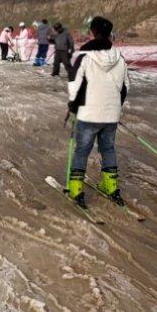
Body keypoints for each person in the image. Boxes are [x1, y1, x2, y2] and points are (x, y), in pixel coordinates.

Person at [65, 16, 129, 208]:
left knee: (81, 151)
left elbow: (74, 85)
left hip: (88, 114)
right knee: (108, 149)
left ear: (92, 32)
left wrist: (73, 106)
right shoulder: (120, 58)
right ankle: (111, 186)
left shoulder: (84, 57)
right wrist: (115, 107)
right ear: (109, 33)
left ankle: (76, 190)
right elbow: (125, 88)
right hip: (111, 114)